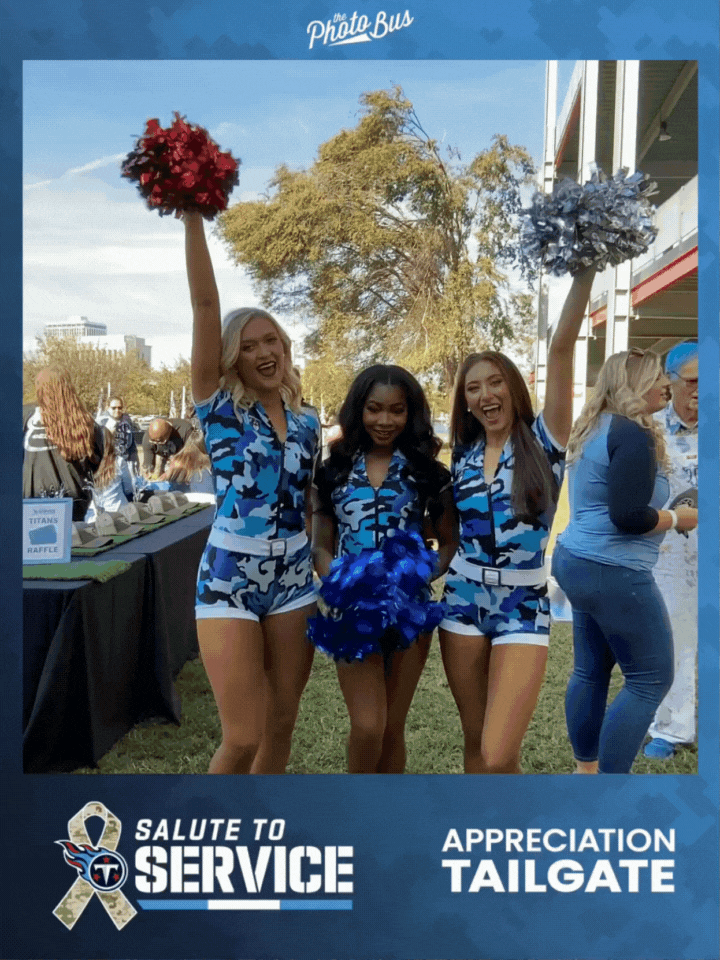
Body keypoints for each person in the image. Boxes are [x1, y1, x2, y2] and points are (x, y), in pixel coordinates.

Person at [439, 266, 596, 774]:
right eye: (473, 388)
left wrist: (585, 273)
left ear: (513, 387)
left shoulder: (546, 441)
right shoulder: (461, 453)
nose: (485, 395)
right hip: (461, 600)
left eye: (495, 383)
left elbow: (561, 350)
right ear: (464, 401)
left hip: (524, 603)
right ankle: (483, 840)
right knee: (474, 743)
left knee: (499, 750)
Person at [184, 210, 320, 774]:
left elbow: (309, 502)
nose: (265, 352)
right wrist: (192, 217)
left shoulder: (308, 419)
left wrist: (323, 560)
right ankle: (213, 836)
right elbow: (205, 308)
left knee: (281, 725)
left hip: (293, 581)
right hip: (229, 579)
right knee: (242, 736)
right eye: (249, 345)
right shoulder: (218, 410)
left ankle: (262, 829)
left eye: (273, 341)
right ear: (231, 356)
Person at [551, 348, 698, 774]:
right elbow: (627, 517)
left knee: (591, 671)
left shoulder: (595, 426)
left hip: (576, 560)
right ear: (635, 386)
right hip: (613, 571)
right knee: (651, 679)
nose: (666, 385)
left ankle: (586, 772)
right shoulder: (631, 434)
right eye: (658, 378)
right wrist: (678, 517)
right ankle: (609, 789)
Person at [311, 365, 458, 773]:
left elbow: (449, 542)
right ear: (358, 410)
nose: (385, 420)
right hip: (351, 609)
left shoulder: (427, 471)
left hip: (410, 610)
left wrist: (419, 574)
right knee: (368, 725)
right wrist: (340, 579)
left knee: (392, 728)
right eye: (374, 409)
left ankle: (388, 820)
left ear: (411, 414)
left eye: (397, 411)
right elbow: (320, 543)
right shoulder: (333, 469)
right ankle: (357, 816)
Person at [643, 341, 699, 760]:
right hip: (670, 551)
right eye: (694, 381)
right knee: (674, 637)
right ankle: (671, 729)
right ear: (672, 383)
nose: (702, 390)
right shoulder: (649, 430)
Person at [23, 367, 107, 521]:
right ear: (69, 388)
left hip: (31, 509)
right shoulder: (88, 425)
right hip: (72, 509)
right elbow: (97, 467)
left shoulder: (24, 417)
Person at [99, 396, 139, 497]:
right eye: (114, 408)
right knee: (111, 494)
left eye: (120, 408)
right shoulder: (101, 421)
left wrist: (135, 461)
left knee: (130, 491)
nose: (117, 410)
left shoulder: (127, 420)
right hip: (108, 463)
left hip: (125, 461)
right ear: (107, 407)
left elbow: (132, 443)